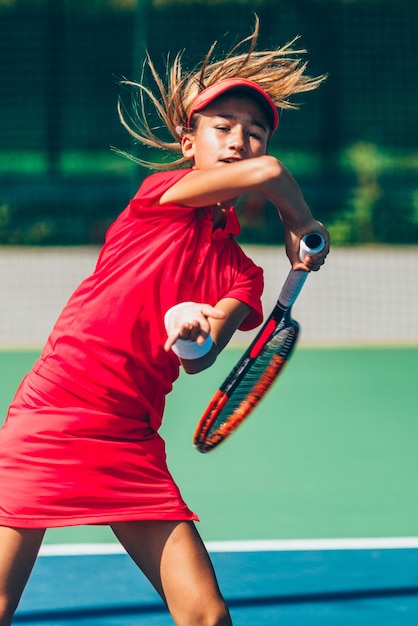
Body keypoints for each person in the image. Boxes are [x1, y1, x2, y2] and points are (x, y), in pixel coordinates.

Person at [0, 18, 329, 626]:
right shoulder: (160, 197)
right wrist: (298, 223)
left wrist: (194, 333)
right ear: (189, 143)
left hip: (129, 438)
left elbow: (204, 355)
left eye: (254, 133)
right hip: (52, 418)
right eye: (222, 128)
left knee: (207, 616)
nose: (239, 142)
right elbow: (270, 175)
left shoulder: (243, 276)